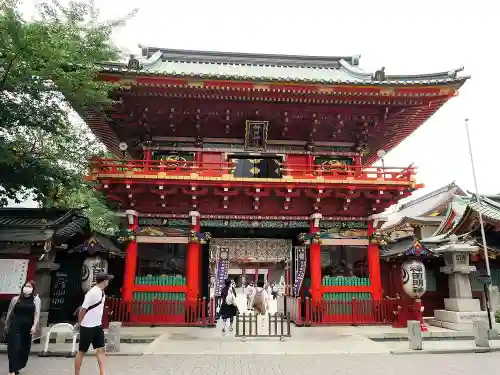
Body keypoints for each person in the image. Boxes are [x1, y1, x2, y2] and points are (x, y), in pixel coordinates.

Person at [74, 272, 113, 375]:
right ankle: (77, 373)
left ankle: (102, 372)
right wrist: (79, 324)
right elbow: (83, 310)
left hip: (97, 325)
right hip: (87, 326)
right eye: (108, 280)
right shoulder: (92, 292)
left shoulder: (102, 292)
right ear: (104, 281)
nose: (108, 282)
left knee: (101, 349)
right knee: (82, 351)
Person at [5, 280, 40, 375]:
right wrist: (7, 325)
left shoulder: (35, 300)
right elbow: (10, 312)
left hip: (27, 329)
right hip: (15, 326)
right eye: (26, 286)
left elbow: (36, 314)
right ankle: (11, 370)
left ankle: (16, 368)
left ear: (33, 289)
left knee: (22, 349)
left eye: (30, 286)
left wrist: (34, 326)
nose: (27, 288)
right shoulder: (16, 299)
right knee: (14, 348)